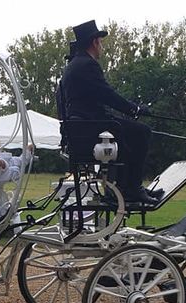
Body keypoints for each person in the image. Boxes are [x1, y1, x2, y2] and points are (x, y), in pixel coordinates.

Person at [60, 20, 161, 205]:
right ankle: (132, 189)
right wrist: (135, 109)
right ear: (95, 42)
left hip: (83, 126)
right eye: (101, 42)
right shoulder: (87, 65)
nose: (102, 47)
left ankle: (126, 186)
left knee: (129, 133)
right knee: (142, 132)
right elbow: (108, 95)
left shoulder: (74, 65)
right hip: (91, 126)